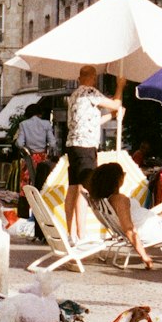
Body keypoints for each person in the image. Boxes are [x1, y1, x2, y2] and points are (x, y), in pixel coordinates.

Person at [64, 66, 125, 242]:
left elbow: (91, 121)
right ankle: (82, 234)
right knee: (85, 188)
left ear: (78, 77)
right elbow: (115, 103)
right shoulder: (90, 92)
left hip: (73, 144)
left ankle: (71, 232)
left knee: (73, 187)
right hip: (86, 146)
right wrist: (120, 86)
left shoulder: (75, 96)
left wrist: (111, 117)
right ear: (93, 77)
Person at [15, 97, 59, 188]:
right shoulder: (46, 124)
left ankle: (26, 200)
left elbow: (19, 143)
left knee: (27, 182)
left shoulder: (23, 124)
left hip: (28, 157)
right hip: (42, 157)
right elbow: (53, 143)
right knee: (41, 182)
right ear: (40, 113)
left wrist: (24, 149)